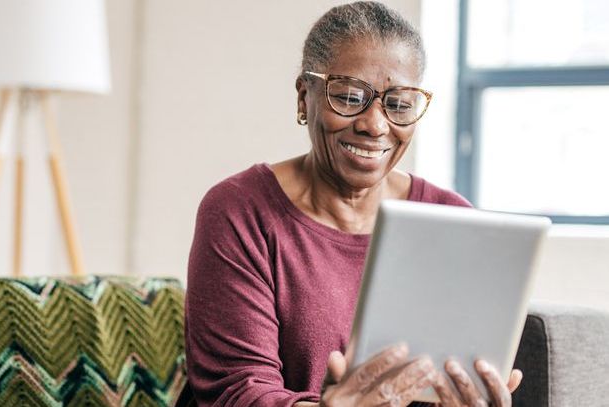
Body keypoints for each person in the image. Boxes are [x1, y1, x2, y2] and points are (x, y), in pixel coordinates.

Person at [184, 2, 522, 406]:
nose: (375, 125)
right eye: (348, 96)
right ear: (303, 97)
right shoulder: (240, 211)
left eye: (398, 104)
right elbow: (236, 390)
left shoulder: (451, 220)